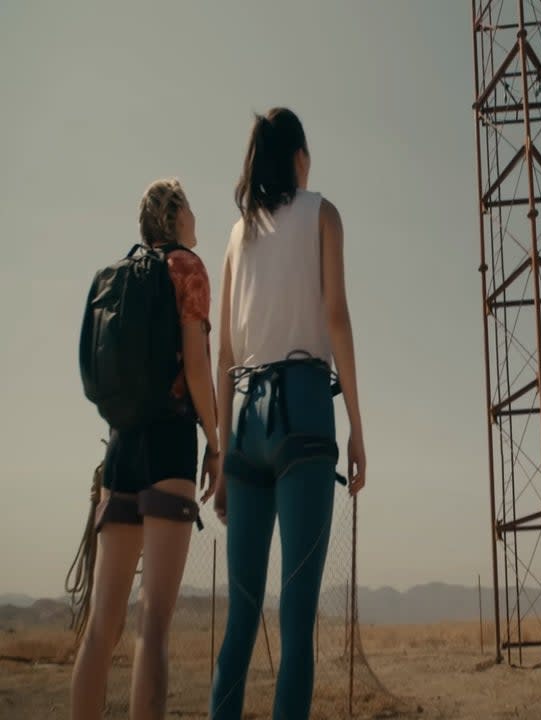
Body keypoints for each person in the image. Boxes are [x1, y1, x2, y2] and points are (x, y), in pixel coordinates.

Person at [210, 108, 366, 719]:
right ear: (299, 156)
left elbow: (223, 352)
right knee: (295, 613)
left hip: (246, 417)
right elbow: (337, 317)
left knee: (241, 615)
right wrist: (356, 423)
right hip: (305, 409)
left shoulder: (234, 235)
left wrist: (220, 452)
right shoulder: (323, 213)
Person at [71, 178, 219, 720]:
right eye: (191, 206)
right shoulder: (188, 268)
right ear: (177, 214)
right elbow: (198, 366)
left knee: (101, 626)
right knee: (152, 623)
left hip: (120, 448)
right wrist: (215, 440)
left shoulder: (115, 277)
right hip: (169, 442)